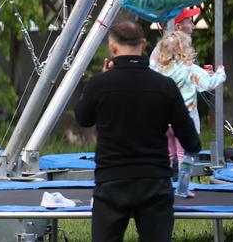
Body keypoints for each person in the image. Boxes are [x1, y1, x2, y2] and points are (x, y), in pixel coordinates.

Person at [75, 21, 201, 242]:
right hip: (154, 182)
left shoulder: (99, 84)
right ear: (143, 44)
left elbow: (83, 119)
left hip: (111, 181)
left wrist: (102, 80)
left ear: (113, 49)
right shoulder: (164, 86)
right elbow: (191, 141)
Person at [151, 31, 226, 164]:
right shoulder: (191, 69)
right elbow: (209, 84)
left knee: (168, 153)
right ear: (185, 49)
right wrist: (220, 72)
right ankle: (184, 183)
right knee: (184, 155)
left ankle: (168, 180)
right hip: (183, 118)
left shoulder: (159, 69)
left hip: (163, 118)